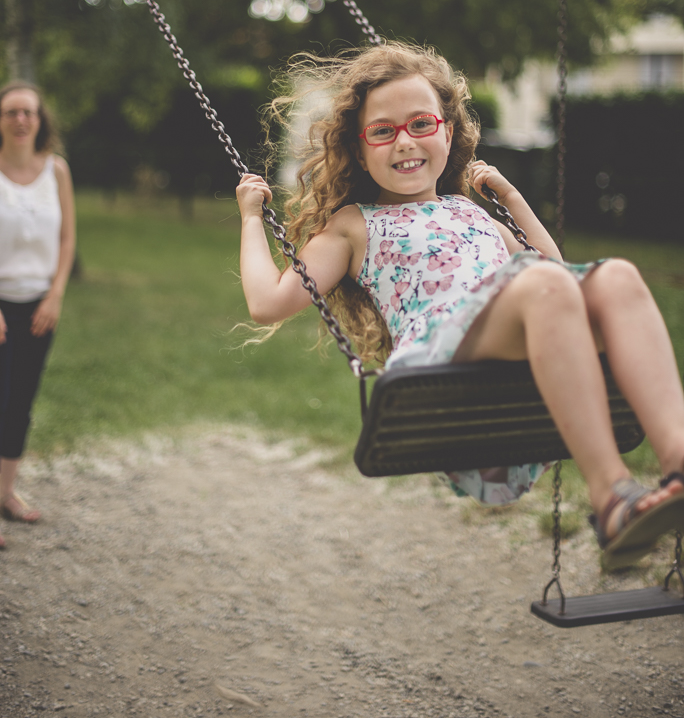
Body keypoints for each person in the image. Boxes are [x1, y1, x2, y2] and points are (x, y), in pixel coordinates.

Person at [236, 42, 684, 571]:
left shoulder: (469, 212)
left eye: (421, 123)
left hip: (512, 337)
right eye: (382, 131)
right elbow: (268, 303)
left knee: (618, 279)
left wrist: (511, 202)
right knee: (545, 286)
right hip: (441, 359)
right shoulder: (354, 224)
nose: (404, 141)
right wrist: (249, 218)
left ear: (448, 131)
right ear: (360, 151)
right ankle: (612, 497)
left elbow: (560, 277)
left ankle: (679, 468)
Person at [0, 81, 75, 547]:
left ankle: (5, 492)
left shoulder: (57, 170)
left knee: (20, 403)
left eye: (28, 112)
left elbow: (67, 238)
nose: (21, 119)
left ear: (40, 119)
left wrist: (55, 295)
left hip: (39, 305)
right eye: (11, 112)